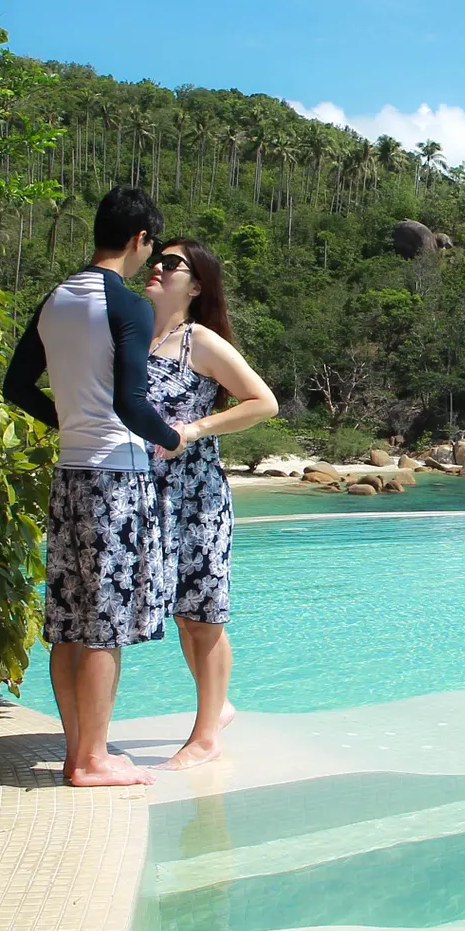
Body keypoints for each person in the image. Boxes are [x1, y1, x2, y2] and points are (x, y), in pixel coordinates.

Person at [3, 186, 187, 788]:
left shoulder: (55, 299)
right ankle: (93, 759)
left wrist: (67, 422)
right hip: (116, 479)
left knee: (67, 619)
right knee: (105, 624)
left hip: (69, 475)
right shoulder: (127, 306)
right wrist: (173, 437)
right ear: (140, 239)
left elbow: (16, 386)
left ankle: (76, 752)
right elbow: (131, 403)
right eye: (151, 246)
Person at [141, 237, 277, 769]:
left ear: (196, 285)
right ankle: (216, 708)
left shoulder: (197, 340)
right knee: (183, 615)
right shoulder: (136, 335)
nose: (158, 266)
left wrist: (194, 429)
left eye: (171, 263)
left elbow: (263, 402)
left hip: (196, 495)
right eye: (156, 258)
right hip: (148, 493)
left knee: (201, 613)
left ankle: (205, 736)